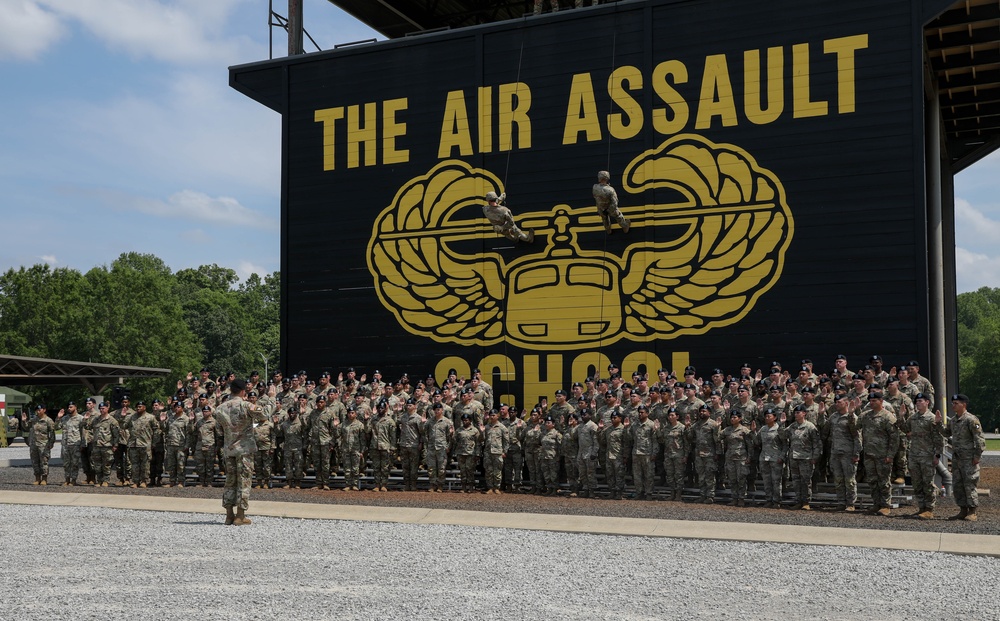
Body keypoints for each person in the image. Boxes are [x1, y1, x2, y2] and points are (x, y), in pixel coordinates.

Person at [214, 379, 267, 526]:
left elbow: (219, 429)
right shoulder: (246, 406)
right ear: (244, 391)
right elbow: (264, 416)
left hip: (229, 450)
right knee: (244, 482)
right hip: (244, 450)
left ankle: (229, 515)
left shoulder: (220, 408)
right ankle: (240, 516)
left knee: (230, 481)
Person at [939, 393, 986, 521]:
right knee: (958, 485)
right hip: (957, 458)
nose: (953, 405)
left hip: (969, 459)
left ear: (963, 405)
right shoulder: (953, 420)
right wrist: (938, 424)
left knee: (969, 483)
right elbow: (946, 433)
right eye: (952, 403)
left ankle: (972, 511)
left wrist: (977, 456)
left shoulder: (971, 420)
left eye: (956, 403)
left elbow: (980, 440)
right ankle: (963, 510)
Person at [902, 393, 944, 519]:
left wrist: (937, 455)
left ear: (927, 402)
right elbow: (905, 428)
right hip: (914, 455)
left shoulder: (932, 418)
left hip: (927, 455)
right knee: (917, 483)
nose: (918, 403)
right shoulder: (913, 418)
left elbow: (938, 438)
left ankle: (929, 509)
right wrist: (901, 417)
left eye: (920, 401)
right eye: (917, 401)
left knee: (928, 483)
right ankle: (921, 507)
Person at [858, 392, 900, 516]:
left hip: (883, 455)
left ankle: (885, 505)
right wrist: (851, 413)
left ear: (881, 401)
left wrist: (891, 455)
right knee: (872, 480)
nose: (871, 403)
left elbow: (894, 438)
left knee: (884, 481)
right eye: (870, 401)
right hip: (869, 454)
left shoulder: (888, 417)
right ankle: (876, 503)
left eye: (874, 401)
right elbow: (854, 427)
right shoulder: (865, 416)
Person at [823, 396, 861, 512]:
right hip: (835, 452)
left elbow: (857, 437)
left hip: (848, 453)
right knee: (838, 479)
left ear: (846, 403)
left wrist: (856, 453)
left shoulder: (852, 418)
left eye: (839, 402)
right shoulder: (833, 417)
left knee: (849, 480)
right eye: (835, 402)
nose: (836, 404)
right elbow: (825, 431)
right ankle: (841, 502)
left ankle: (850, 503)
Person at [784, 405, 822, 510]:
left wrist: (815, 457)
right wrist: (782, 423)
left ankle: (806, 502)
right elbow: (782, 436)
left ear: (804, 413)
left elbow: (817, 443)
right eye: (795, 413)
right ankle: (798, 501)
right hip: (794, 457)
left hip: (806, 458)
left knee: (805, 481)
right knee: (796, 481)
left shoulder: (810, 427)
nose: (796, 414)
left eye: (798, 412)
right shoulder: (792, 426)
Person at [687, 404, 721, 504]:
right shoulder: (696, 425)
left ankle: (710, 496)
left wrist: (718, 453)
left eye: (704, 411)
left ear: (709, 413)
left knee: (710, 476)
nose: (702, 413)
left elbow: (718, 440)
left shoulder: (714, 424)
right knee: (701, 476)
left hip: (710, 454)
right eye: (701, 411)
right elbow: (689, 437)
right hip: (699, 455)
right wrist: (688, 427)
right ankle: (702, 495)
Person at [753, 409, 786, 508]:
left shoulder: (779, 429)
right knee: (766, 481)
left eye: (769, 416)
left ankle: (776, 501)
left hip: (776, 458)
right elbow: (757, 442)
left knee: (776, 481)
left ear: (775, 417)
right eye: (766, 416)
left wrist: (782, 457)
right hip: (764, 458)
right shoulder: (763, 429)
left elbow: (785, 445)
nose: (767, 418)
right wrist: (753, 432)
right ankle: (768, 499)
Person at [122, 401, 158, 488]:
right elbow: (124, 426)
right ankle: (135, 481)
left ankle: (144, 481)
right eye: (137, 407)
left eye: (140, 407)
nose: (138, 408)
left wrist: (154, 442)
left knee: (145, 465)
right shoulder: (131, 417)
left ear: (144, 408)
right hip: (133, 444)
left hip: (145, 444)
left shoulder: (150, 417)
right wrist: (124, 417)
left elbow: (156, 430)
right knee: (134, 464)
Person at [721, 411, 753, 506]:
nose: (732, 419)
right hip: (730, 458)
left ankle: (741, 499)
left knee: (741, 479)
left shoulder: (744, 430)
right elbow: (717, 437)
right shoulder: (727, 430)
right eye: (731, 417)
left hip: (741, 458)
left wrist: (749, 457)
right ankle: (734, 498)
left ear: (740, 419)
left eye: (735, 417)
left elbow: (750, 445)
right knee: (732, 479)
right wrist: (717, 426)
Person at [422, 402, 454, 493]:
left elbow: (450, 437)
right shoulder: (429, 421)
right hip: (431, 447)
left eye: (439, 410)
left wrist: (448, 447)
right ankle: (432, 485)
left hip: (442, 448)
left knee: (441, 468)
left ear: (442, 410)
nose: (437, 411)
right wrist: (422, 423)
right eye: (435, 410)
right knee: (431, 468)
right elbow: (424, 432)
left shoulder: (447, 422)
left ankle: (440, 485)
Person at [21, 405, 56, 485]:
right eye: (36, 410)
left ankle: (44, 479)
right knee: (35, 462)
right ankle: (37, 478)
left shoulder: (48, 420)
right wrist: (24, 421)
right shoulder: (34, 420)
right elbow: (26, 427)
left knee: (44, 462)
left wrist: (51, 443)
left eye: (39, 410)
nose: (38, 411)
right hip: (34, 444)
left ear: (44, 410)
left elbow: (52, 433)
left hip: (43, 445)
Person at [658, 407, 688, 501]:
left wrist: (686, 456)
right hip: (668, 455)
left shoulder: (682, 427)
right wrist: (658, 430)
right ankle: (672, 493)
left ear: (677, 417)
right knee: (670, 475)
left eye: (672, 415)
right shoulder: (666, 428)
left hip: (679, 455)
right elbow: (661, 440)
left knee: (679, 475)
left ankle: (678, 494)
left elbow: (686, 443)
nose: (670, 417)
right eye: (669, 415)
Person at [86, 402, 119, 487]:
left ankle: (106, 480)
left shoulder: (112, 420)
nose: (101, 410)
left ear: (107, 408)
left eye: (103, 408)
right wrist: (85, 419)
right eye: (100, 408)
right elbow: (88, 427)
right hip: (96, 446)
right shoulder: (96, 419)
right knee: (97, 465)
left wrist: (115, 445)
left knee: (106, 464)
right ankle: (99, 480)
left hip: (107, 446)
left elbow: (116, 434)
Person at [629, 405, 657, 500]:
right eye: (639, 412)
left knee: (649, 475)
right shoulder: (634, 425)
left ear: (647, 413)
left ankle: (648, 493)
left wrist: (654, 453)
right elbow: (629, 438)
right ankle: (639, 492)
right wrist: (626, 428)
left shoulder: (651, 425)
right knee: (637, 475)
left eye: (642, 412)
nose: (640, 414)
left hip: (647, 453)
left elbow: (655, 441)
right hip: (636, 452)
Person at [56, 402, 85, 486]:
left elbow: (83, 432)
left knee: (75, 463)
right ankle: (67, 479)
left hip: (75, 444)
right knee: (66, 463)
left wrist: (83, 444)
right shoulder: (64, 418)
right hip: (65, 444)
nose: (69, 408)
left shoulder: (80, 418)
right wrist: (58, 418)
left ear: (75, 407)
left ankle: (74, 480)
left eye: (71, 407)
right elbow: (56, 427)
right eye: (68, 407)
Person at [454, 412, 483, 493]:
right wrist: (451, 434)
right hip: (461, 453)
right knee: (462, 471)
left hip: (471, 453)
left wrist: (477, 454)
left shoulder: (475, 430)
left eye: (466, 420)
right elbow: (455, 441)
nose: (464, 422)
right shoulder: (459, 430)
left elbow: (478, 443)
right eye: (463, 420)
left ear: (470, 421)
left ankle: (471, 487)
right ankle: (463, 487)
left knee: (470, 470)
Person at [482, 409, 509, 494]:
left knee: (497, 471)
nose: (492, 417)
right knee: (488, 470)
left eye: (494, 415)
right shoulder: (486, 427)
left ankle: (497, 487)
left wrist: (504, 451)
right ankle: (490, 487)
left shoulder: (502, 427)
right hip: (488, 452)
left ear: (498, 416)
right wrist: (481, 431)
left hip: (498, 452)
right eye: (491, 415)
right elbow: (482, 439)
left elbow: (506, 441)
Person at [539, 416, 563, 496]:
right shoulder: (543, 433)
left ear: (553, 424)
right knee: (546, 474)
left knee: (554, 474)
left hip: (553, 457)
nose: (547, 424)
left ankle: (555, 489)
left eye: (549, 423)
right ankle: (549, 488)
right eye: (546, 422)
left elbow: (561, 445)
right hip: (544, 456)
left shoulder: (556, 434)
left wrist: (559, 455)